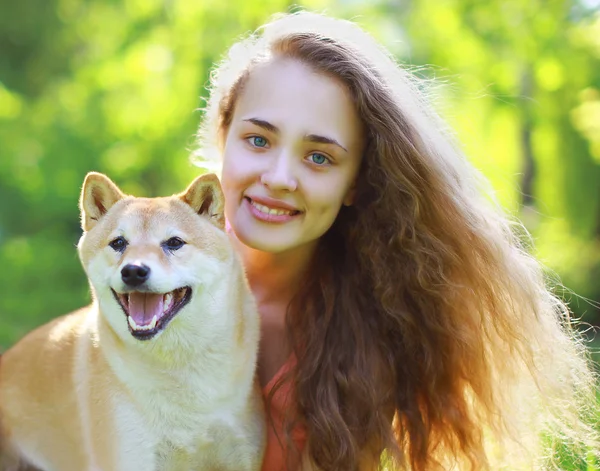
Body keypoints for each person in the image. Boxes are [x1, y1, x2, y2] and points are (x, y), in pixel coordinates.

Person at [195, 11, 599, 471]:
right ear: (223, 138)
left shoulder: (370, 330)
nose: (280, 177)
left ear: (355, 184)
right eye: (258, 140)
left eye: (320, 157)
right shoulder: (142, 273)